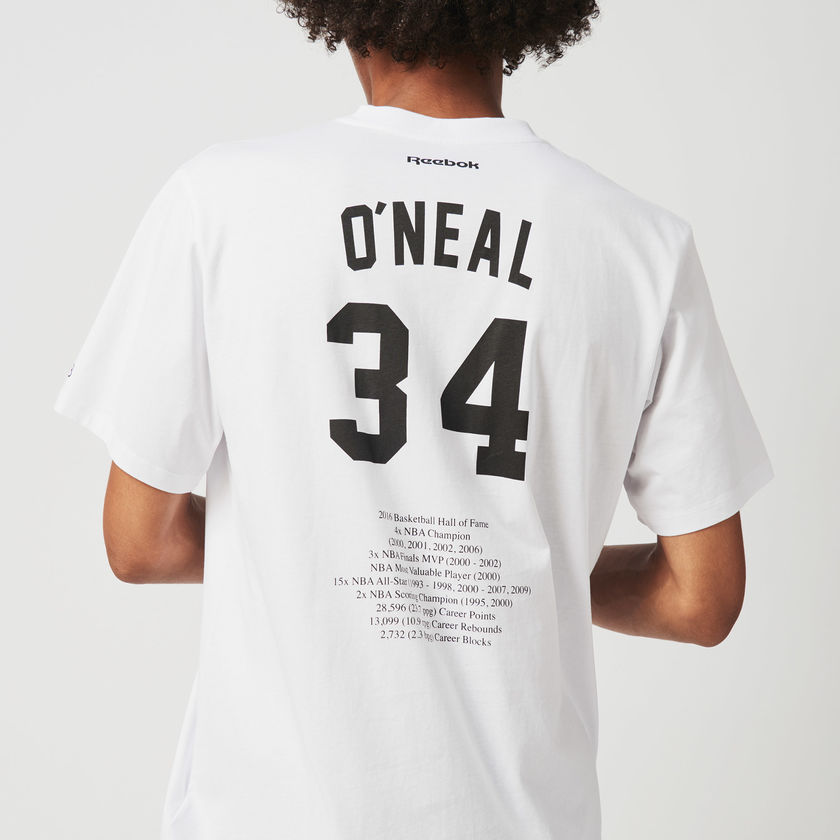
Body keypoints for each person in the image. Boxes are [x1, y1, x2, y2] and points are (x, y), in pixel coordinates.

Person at [52, 2, 774, 838]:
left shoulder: (221, 200)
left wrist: (316, 551)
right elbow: (700, 598)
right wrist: (512, 576)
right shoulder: (640, 245)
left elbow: (139, 543)